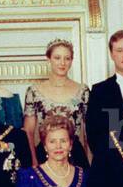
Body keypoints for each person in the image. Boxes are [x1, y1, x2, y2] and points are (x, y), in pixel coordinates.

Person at [22, 39, 91, 168]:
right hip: (44, 154)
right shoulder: (34, 91)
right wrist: (33, 160)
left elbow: (89, 131)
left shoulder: (83, 91)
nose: (62, 63)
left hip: (74, 155)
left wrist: (92, 160)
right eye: (57, 58)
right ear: (48, 59)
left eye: (67, 58)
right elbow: (28, 131)